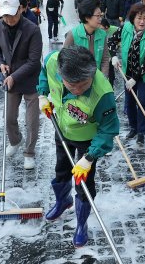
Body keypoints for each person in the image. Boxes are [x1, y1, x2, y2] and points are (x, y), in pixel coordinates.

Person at [37, 46, 119, 247]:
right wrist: (42, 94)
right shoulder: (53, 61)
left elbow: (108, 130)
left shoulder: (103, 94)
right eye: (73, 86)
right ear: (61, 74)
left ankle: (82, 223)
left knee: (84, 183)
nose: (79, 90)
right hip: (62, 129)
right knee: (61, 170)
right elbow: (44, 73)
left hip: (88, 140)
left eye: (84, 85)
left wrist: (89, 158)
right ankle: (63, 201)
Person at [0, 0, 43, 170]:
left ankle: (29, 152)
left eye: (12, 15)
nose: (9, 19)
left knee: (32, 121)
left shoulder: (32, 29)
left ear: (20, 9)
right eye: (5, 15)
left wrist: (14, 76)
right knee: (9, 117)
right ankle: (15, 140)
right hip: (10, 77)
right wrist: (1, 64)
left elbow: (33, 61)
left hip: (30, 79)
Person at [108, 3, 145, 145]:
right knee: (129, 102)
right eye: (139, 18)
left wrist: (135, 78)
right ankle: (133, 127)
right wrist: (114, 56)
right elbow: (112, 41)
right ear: (133, 19)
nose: (142, 22)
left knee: (142, 102)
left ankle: (141, 132)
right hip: (128, 73)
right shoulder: (125, 28)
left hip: (144, 75)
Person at [64, 0, 110, 82]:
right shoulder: (73, 34)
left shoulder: (102, 34)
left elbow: (105, 59)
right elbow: (64, 60)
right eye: (97, 16)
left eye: (101, 15)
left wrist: (103, 79)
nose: (100, 19)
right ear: (87, 17)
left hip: (97, 80)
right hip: (78, 82)